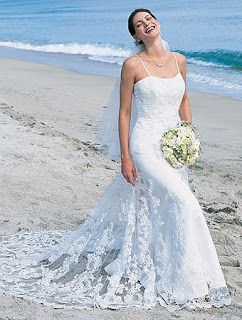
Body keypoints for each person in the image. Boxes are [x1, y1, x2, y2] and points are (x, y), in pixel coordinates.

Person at [0, 9, 231, 312]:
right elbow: (124, 113)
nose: (147, 24)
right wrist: (125, 157)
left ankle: (168, 262)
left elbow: (184, 100)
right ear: (136, 36)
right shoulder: (132, 65)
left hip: (172, 145)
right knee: (185, 203)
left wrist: (190, 135)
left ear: (157, 23)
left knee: (162, 205)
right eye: (139, 24)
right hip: (145, 146)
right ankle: (189, 285)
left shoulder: (180, 60)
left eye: (149, 19)